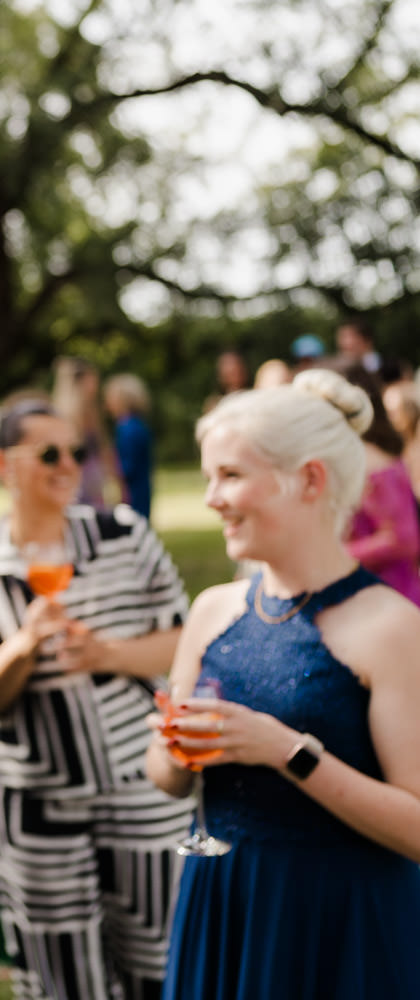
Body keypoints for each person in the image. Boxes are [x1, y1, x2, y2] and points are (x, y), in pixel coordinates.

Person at [151, 368, 420, 998]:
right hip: (224, 904)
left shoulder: (392, 628)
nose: (212, 498)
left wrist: (282, 750)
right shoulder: (213, 611)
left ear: (310, 479)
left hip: (341, 921)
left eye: (231, 476)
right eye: (210, 477)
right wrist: (173, 740)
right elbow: (165, 778)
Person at [0, 398, 194, 1000]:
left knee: (159, 961)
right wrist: (26, 644)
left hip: (140, 786)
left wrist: (106, 655)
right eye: (49, 453)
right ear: (2, 465)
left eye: (77, 452)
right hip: (35, 801)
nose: (68, 466)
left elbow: (182, 638)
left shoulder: (124, 535)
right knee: (58, 971)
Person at [320, 360, 420, 606]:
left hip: (390, 595)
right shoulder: (357, 454)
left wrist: (332, 555)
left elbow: (402, 540)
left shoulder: (371, 460)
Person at [52, 356, 117, 511]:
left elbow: (102, 446)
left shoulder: (91, 410)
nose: (96, 384)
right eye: (92, 379)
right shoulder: (69, 414)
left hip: (93, 478)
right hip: (80, 479)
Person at [104, 372, 154, 520]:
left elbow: (127, 467)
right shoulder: (137, 424)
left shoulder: (128, 428)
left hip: (132, 492)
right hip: (141, 488)